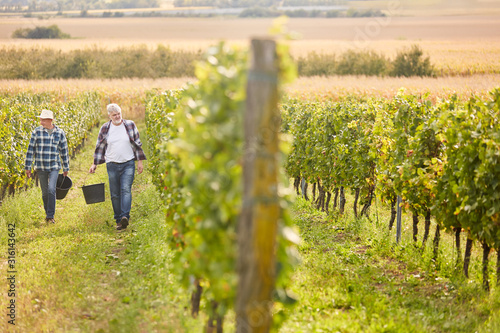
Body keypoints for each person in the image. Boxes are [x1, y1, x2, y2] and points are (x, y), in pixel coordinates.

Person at [89, 103, 146, 230]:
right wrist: (94, 164)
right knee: (115, 193)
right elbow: (100, 147)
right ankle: (118, 220)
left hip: (128, 163)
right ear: (109, 115)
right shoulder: (105, 128)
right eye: (114, 115)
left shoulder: (130, 125)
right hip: (112, 164)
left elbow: (137, 144)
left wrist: (140, 161)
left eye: (119, 114)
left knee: (125, 189)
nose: (117, 116)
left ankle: (125, 216)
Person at [25, 109, 70, 224]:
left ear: (50, 120)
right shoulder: (37, 132)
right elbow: (31, 150)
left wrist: (66, 167)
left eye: (43, 120)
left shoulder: (59, 133)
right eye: (40, 120)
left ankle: (51, 216)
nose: (41, 122)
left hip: (54, 166)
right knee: (45, 192)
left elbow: (64, 151)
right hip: (40, 167)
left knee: (51, 190)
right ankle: (48, 214)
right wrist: (28, 166)